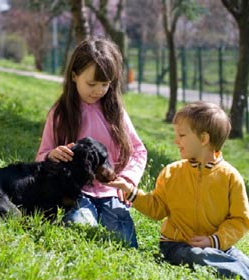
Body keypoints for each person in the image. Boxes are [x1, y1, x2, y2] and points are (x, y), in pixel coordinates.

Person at [107, 101, 249, 279]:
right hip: (177, 246)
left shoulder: (231, 178)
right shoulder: (172, 172)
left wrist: (214, 241)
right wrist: (131, 191)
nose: (176, 141)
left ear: (204, 139)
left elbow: (239, 219)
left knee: (241, 259)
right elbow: (157, 208)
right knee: (199, 256)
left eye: (181, 135)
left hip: (220, 245)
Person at [36, 36, 147, 248]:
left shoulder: (115, 113)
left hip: (111, 193)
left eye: (105, 84)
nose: (98, 91)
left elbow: (139, 151)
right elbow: (42, 154)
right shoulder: (60, 114)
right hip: (75, 193)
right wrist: (52, 156)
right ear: (74, 76)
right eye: (91, 84)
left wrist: (128, 181)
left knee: (125, 243)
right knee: (83, 232)